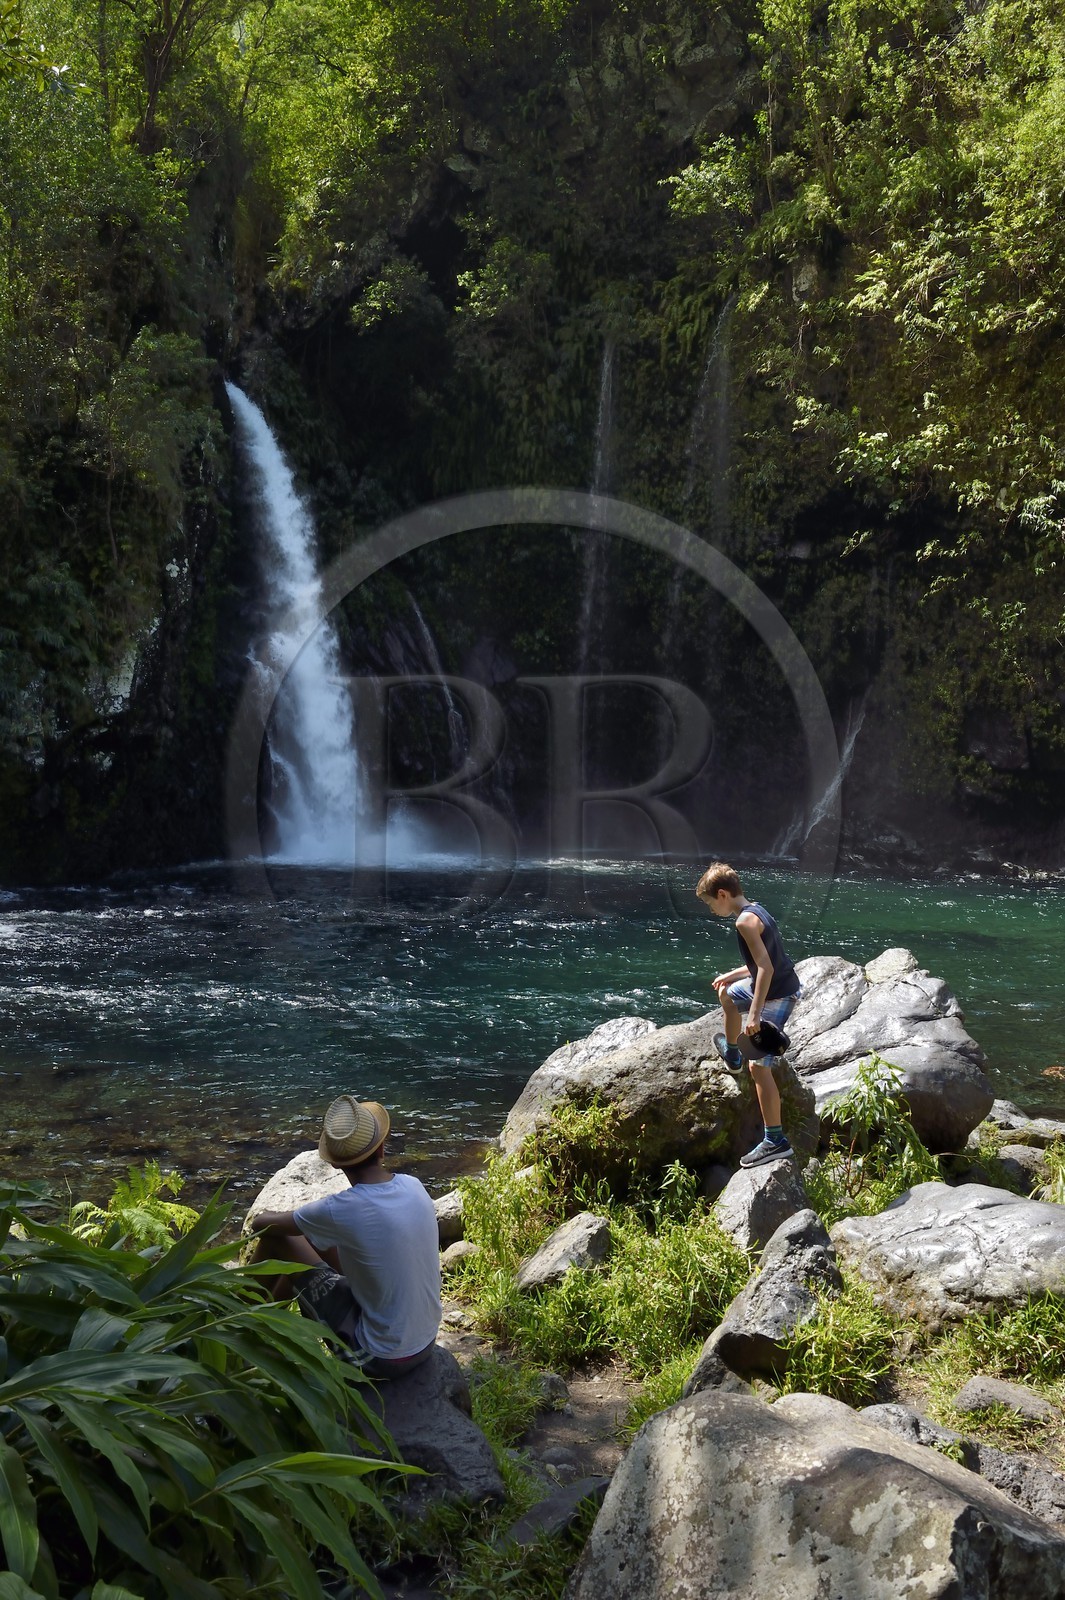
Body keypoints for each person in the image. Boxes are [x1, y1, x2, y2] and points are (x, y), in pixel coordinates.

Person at [250, 1095, 442, 1377]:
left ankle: (236, 1325)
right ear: (382, 1149)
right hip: (424, 1342)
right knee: (313, 1240)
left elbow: (261, 1225)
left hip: (377, 1357)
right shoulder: (412, 1185)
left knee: (279, 1239)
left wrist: (274, 1214)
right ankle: (262, 1328)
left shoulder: (342, 1208)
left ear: (336, 1164)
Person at [695, 862, 802, 1167]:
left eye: (710, 903)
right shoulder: (756, 909)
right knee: (727, 994)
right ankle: (732, 1054)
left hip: (778, 994)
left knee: (759, 1068)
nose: (711, 909)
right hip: (767, 984)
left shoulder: (744, 922)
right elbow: (762, 961)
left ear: (723, 894)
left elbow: (767, 968)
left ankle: (775, 1141)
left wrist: (754, 1016)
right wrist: (732, 975)